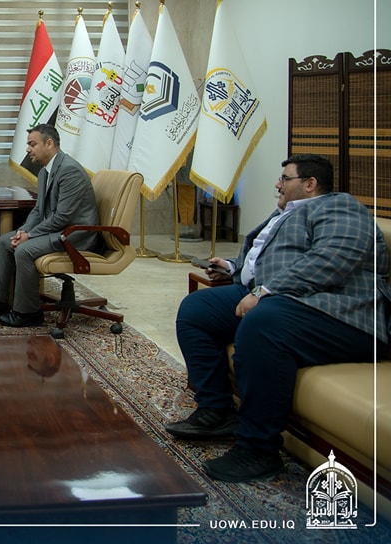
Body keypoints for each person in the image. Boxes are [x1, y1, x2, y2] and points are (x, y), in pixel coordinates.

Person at [166, 154, 390, 482]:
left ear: (310, 184)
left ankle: (258, 449)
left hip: (341, 313)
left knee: (263, 323)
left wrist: (263, 291)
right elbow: (271, 257)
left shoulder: (341, 208)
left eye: (285, 178)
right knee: (197, 310)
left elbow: (331, 260)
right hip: (286, 300)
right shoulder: (287, 212)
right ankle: (216, 409)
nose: (277, 184)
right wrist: (234, 267)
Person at [0, 123, 101, 327]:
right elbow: (39, 210)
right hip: (58, 231)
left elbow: (62, 217)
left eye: (32, 144)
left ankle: (28, 313)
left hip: (75, 236)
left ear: (49, 143)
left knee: (24, 250)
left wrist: (29, 236)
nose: (28, 149)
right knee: (4, 241)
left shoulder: (70, 171)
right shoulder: (45, 171)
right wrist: (23, 230)